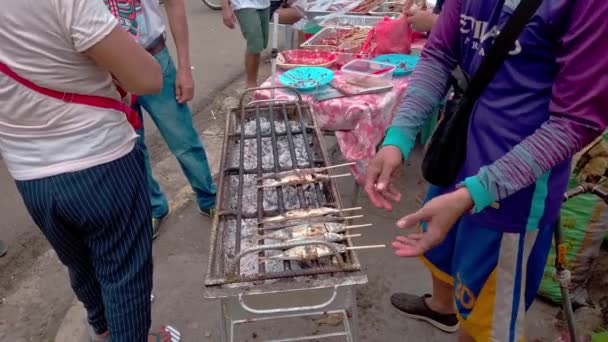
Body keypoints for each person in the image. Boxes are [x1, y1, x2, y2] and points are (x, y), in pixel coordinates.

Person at [365, 0, 608, 340]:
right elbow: (440, 55)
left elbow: (575, 121)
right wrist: (399, 136)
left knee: (485, 323)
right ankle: (442, 309)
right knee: (444, 256)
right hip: (459, 153)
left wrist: (474, 193)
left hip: (513, 190)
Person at [0, 0, 178, 341]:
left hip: (29, 174)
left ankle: (104, 333)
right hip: (99, 160)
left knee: (81, 267)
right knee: (124, 277)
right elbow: (147, 78)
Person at [104, 0, 217, 239]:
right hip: (109, 72)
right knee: (132, 148)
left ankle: (208, 198)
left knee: (182, 138)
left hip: (155, 58)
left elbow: (175, 5)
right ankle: (154, 207)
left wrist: (185, 68)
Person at [222, 0, 271, 88]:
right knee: (255, 43)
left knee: (261, 44)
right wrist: (225, 7)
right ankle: (251, 84)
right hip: (243, 4)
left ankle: (253, 80)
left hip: (264, 3)